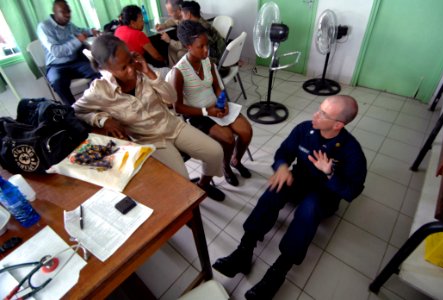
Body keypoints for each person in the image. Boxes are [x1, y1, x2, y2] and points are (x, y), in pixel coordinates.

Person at [212, 95, 367, 299]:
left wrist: (330, 174)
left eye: (323, 114)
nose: (315, 114)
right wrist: (282, 167)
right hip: (300, 180)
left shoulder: (351, 151)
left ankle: (278, 271)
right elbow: (283, 152)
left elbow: (352, 191)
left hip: (325, 193)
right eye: (318, 109)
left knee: (310, 208)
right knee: (274, 188)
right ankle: (244, 251)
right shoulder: (305, 129)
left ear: (338, 124)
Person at [72, 35, 226, 201]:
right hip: (150, 139)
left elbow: (172, 99)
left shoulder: (142, 71)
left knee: (215, 152)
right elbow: (76, 111)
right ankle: (190, 199)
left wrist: (149, 73)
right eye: (123, 68)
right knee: (182, 180)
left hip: (172, 125)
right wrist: (103, 120)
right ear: (106, 69)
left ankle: (203, 186)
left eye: (130, 61)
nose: (131, 70)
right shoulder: (99, 90)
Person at [169, 20, 253, 187]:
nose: (206, 50)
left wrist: (223, 102)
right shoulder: (178, 72)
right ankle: (226, 167)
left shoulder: (208, 62)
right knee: (228, 139)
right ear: (188, 46)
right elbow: (177, 107)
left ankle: (236, 161)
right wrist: (208, 112)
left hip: (216, 107)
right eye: (201, 46)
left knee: (246, 131)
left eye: (207, 44)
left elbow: (217, 88)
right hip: (198, 114)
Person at [37, 0, 100, 105]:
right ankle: (72, 110)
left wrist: (91, 31)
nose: (67, 15)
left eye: (69, 11)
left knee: (99, 73)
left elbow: (80, 30)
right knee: (57, 83)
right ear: (55, 12)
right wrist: (78, 40)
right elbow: (56, 52)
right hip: (56, 66)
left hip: (75, 62)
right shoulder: (44, 27)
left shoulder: (68, 25)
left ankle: (98, 101)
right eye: (63, 12)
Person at [156, 0, 186, 67]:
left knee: (180, 53)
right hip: (185, 45)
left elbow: (186, 44)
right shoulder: (180, 17)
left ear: (178, 11)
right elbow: (173, 20)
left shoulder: (188, 22)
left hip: (191, 47)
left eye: (170, 12)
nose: (168, 14)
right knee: (171, 48)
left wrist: (169, 40)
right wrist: (164, 25)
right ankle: (173, 71)